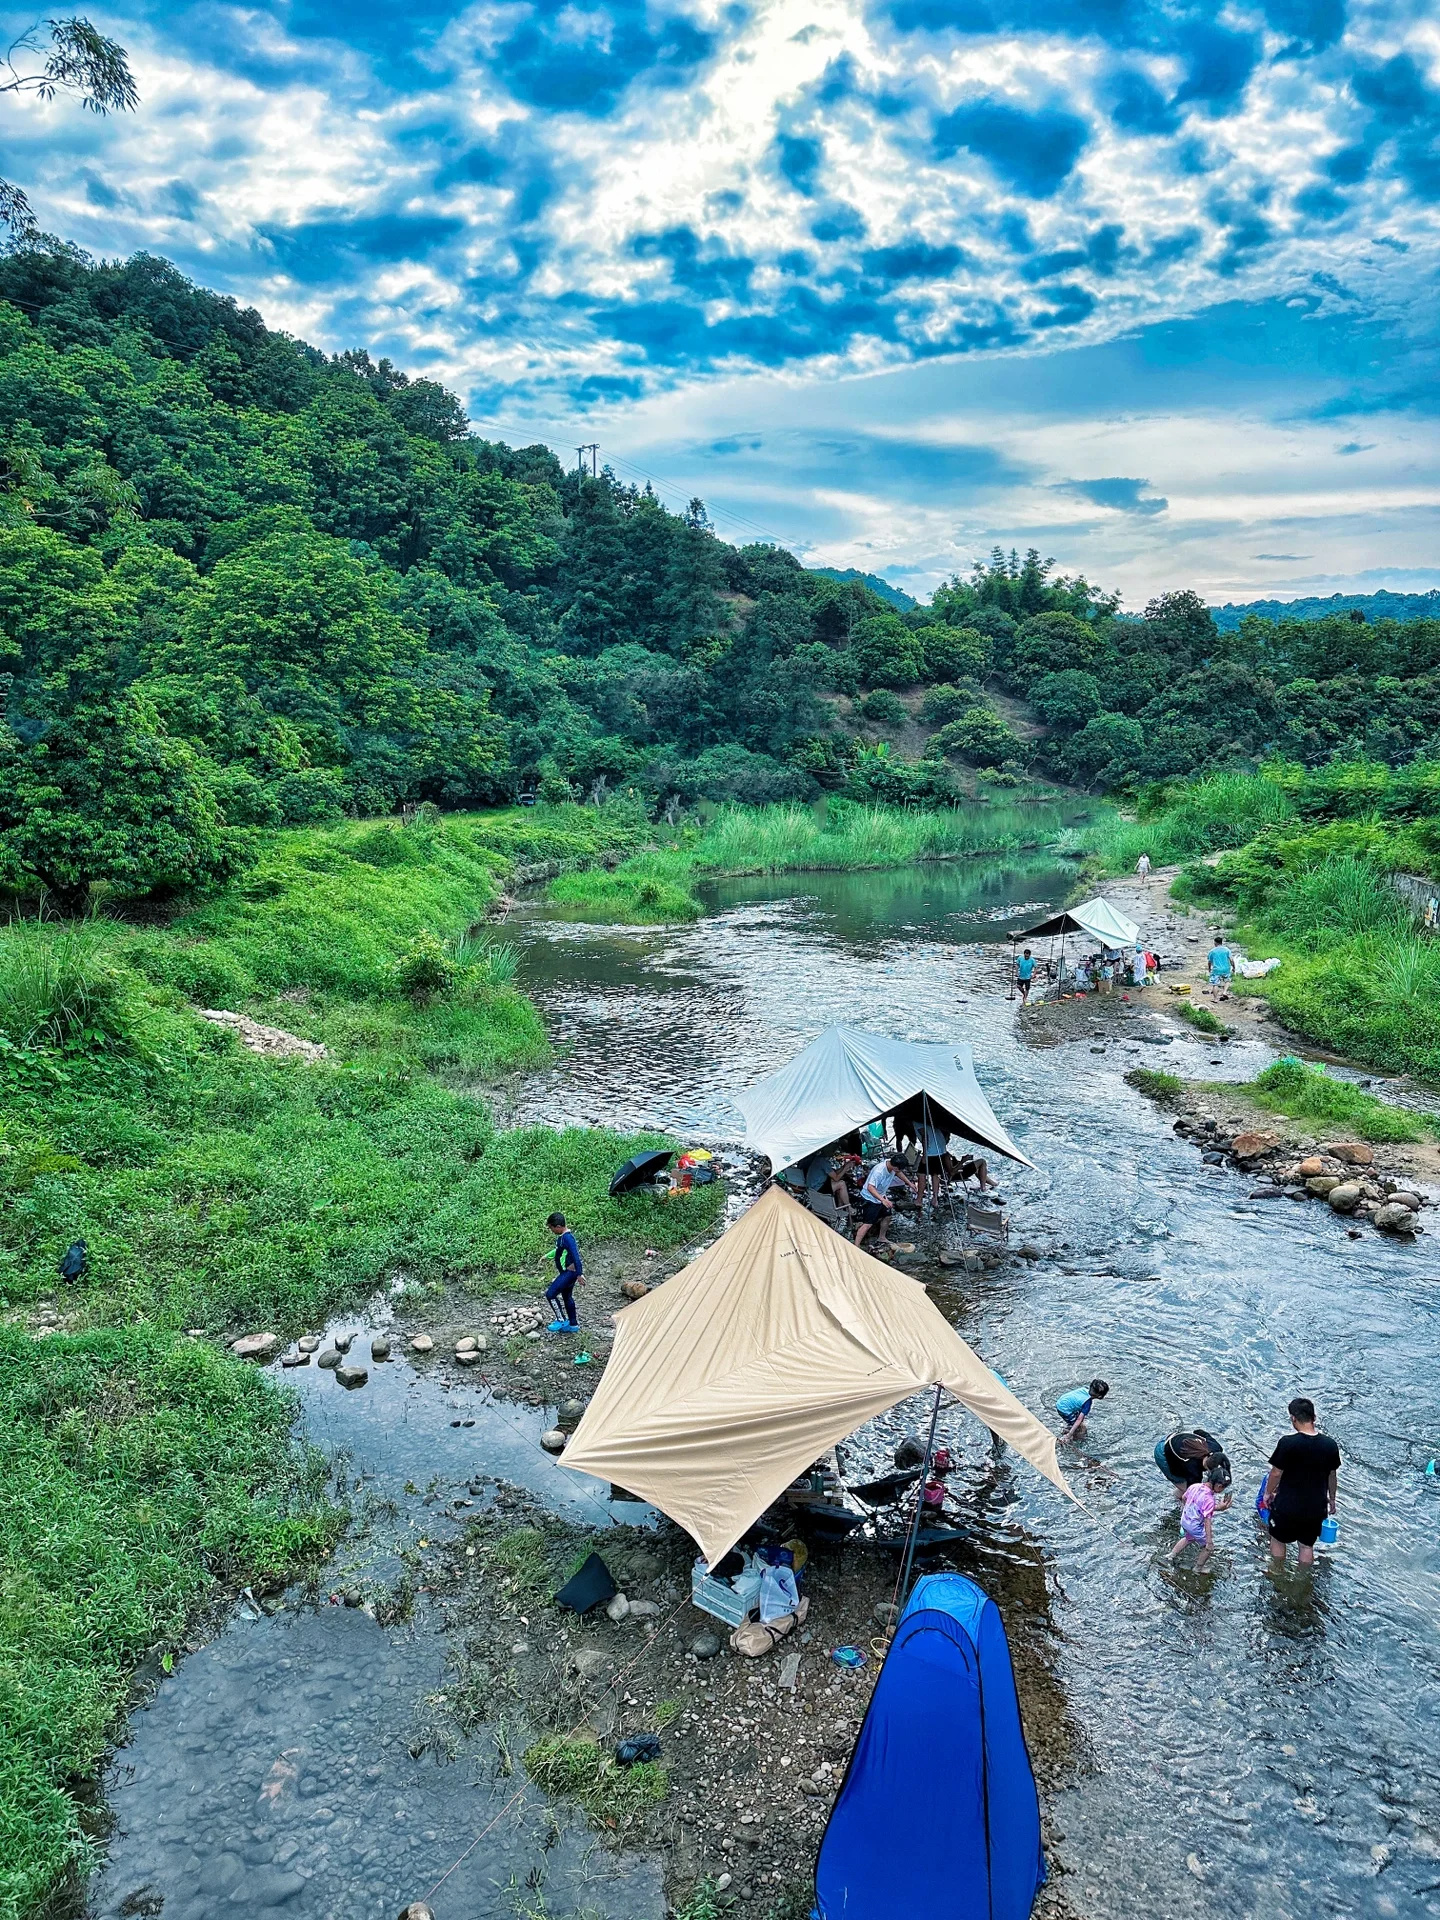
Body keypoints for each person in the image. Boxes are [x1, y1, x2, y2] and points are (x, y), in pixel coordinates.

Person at [1264, 1396, 1340, 1566]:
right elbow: (1332, 1475)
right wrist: (1332, 1499)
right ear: (1314, 1418)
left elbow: (1276, 1473)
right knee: (1306, 1547)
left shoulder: (1288, 1443)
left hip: (1287, 1505)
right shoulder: (1330, 1445)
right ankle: (1303, 1579)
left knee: (1277, 1540)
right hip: (1315, 1508)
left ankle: (1278, 1574)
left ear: (1293, 1418)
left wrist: (1267, 1493)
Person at [1170, 1463, 1232, 1571]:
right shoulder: (1209, 1499)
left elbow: (1184, 1498)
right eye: (1223, 1487)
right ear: (1218, 1486)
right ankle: (1198, 1568)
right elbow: (1207, 1520)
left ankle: (1171, 1555)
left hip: (1185, 1520)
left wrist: (1187, 1511)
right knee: (1208, 1549)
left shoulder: (1195, 1486)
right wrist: (1209, 1541)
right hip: (1195, 1526)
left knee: (1189, 1538)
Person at [854, 1153, 917, 1253]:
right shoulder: (879, 1171)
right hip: (870, 1198)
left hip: (881, 1196)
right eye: (899, 1169)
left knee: (887, 1215)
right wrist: (883, 1200)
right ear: (895, 1167)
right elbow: (870, 1187)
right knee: (867, 1224)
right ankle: (855, 1247)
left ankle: (881, 1237)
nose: (900, 1171)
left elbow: (898, 1173)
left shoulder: (891, 1165)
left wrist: (909, 1183)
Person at [1154, 1427, 1224, 1507]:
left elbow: (1199, 1432)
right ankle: (1178, 1504)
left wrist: (1194, 1442)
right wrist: (1217, 1507)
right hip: (1162, 1453)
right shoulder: (1193, 1469)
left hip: (1173, 1437)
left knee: (1197, 1487)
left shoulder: (1216, 1447)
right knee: (1187, 1490)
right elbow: (1190, 1496)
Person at [545, 1211, 583, 1331]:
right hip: (566, 1272)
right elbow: (558, 1251)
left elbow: (576, 1256)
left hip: (570, 1273)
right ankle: (573, 1325)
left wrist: (579, 1274)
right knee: (567, 1297)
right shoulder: (562, 1238)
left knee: (550, 1294)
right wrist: (547, 1256)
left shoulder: (568, 1238)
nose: (552, 1231)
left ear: (558, 1227)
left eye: (552, 1228)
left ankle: (561, 1320)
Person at [1056, 1377, 1109, 1443]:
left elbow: (1076, 1402)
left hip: (1060, 1402)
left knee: (1078, 1422)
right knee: (1081, 1429)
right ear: (1100, 1396)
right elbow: (1079, 1420)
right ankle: (1067, 1438)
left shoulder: (1083, 1390)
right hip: (1064, 1410)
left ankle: (1069, 1428)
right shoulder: (1087, 1403)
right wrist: (1070, 1434)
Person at [1207, 933, 1234, 998]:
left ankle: (1215, 999)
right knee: (1227, 981)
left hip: (1216, 970)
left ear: (1215, 943)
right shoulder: (1227, 950)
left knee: (1215, 984)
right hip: (1226, 969)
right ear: (1221, 942)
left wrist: (1209, 968)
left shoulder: (1212, 951)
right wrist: (1233, 967)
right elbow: (1231, 960)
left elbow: (1209, 961)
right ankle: (1224, 992)